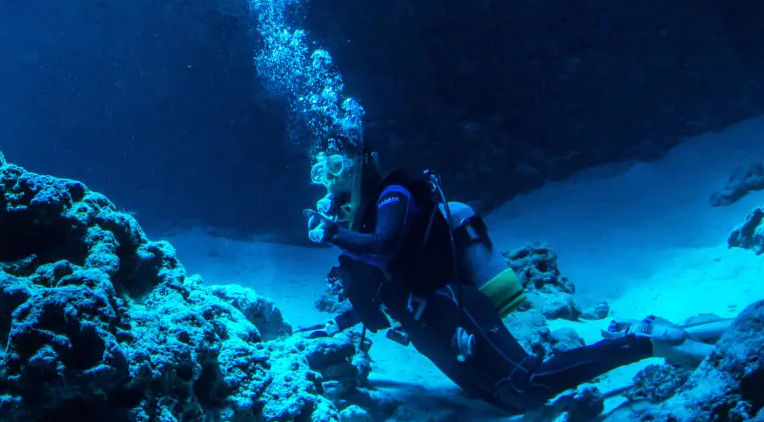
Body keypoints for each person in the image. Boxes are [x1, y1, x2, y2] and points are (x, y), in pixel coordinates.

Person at [304, 136, 717, 414]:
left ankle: (649, 343)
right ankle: (642, 330)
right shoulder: (356, 221)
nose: (332, 179)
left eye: (339, 165)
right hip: (434, 325)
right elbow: (384, 282)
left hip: (451, 308)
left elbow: (386, 248)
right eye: (323, 170)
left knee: (526, 386)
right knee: (500, 399)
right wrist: (338, 322)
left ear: (363, 164)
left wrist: (331, 232)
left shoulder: (393, 196)